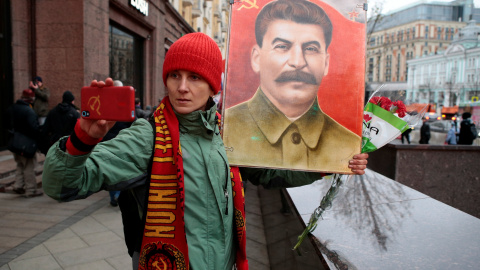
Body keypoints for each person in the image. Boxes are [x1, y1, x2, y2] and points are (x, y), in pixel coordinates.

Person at [42, 33, 368, 270]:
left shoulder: (227, 133)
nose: (182, 87)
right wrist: (82, 141)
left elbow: (270, 170)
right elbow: (62, 186)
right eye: (174, 76)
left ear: (214, 86)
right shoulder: (149, 135)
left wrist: (333, 162)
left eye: (195, 77)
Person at [224, 0, 360, 172]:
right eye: (282, 46)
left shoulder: (348, 146)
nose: (297, 62)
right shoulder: (225, 131)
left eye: (310, 48)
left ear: (326, 63)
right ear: (257, 59)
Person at [6, 89, 43, 197]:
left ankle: (18, 185)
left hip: (14, 142)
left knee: (20, 164)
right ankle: (31, 190)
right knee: (28, 166)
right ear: (31, 99)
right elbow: (34, 128)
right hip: (26, 144)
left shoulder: (12, 108)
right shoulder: (28, 111)